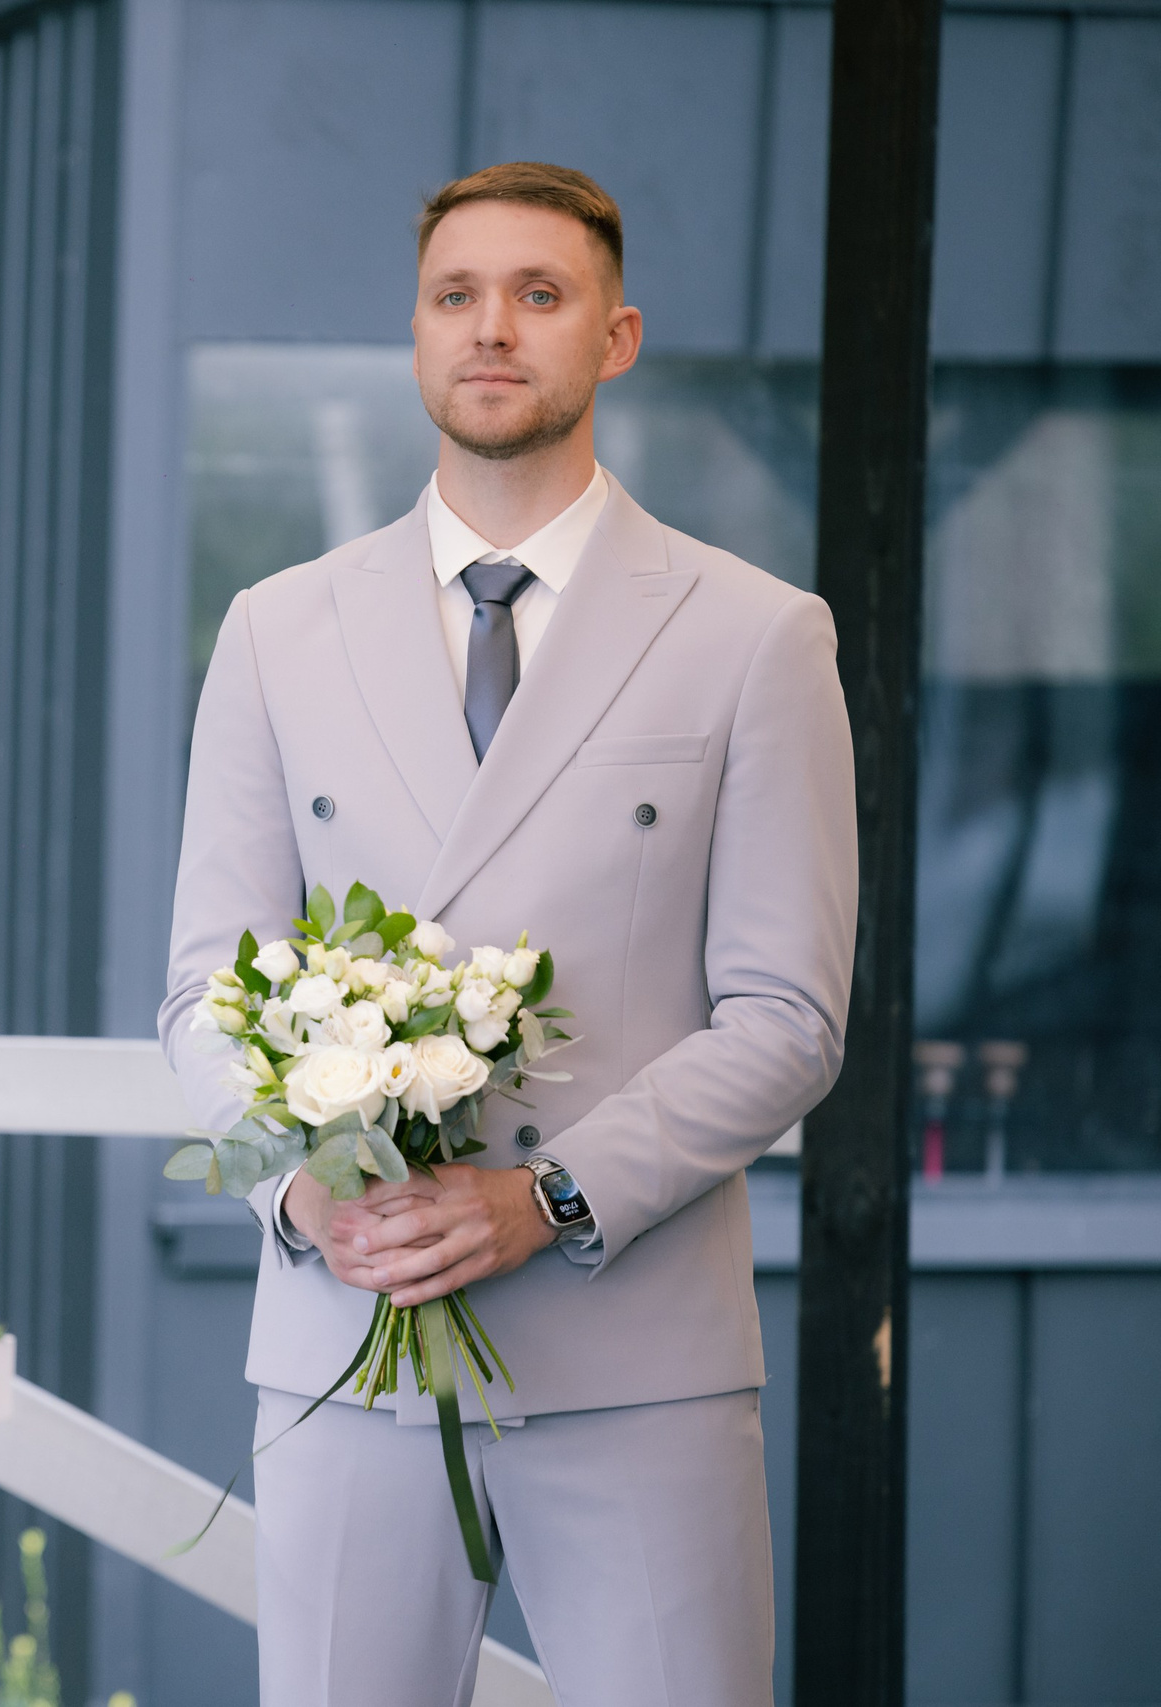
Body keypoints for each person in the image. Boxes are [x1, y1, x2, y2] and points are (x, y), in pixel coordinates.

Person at [157, 161, 856, 1706]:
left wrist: (548, 1194)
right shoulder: (278, 630)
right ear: (414, 334)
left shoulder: (755, 633)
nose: (493, 329)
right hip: (348, 1339)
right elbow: (206, 990)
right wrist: (312, 1203)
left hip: (641, 1360)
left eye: (539, 296)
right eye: (455, 295)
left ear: (614, 337)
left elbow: (790, 1015)